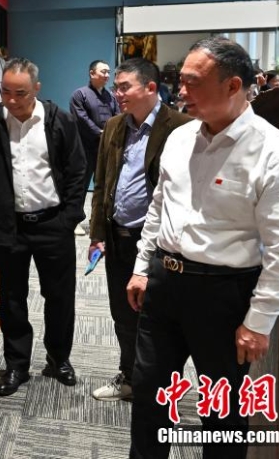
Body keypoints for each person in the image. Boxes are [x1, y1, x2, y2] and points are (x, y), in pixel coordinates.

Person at [126, 37, 279, 458]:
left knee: (222, 416)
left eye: (193, 83)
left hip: (224, 295)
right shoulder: (180, 137)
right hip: (164, 285)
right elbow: (159, 207)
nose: (181, 92)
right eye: (180, 81)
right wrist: (141, 266)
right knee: (150, 399)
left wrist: (259, 321)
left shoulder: (275, 154)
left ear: (233, 86)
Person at [0, 58, 86, 396]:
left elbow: (77, 172)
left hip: (52, 225)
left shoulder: (59, 121)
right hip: (10, 226)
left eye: (20, 93)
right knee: (13, 299)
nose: (12, 100)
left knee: (59, 297)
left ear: (36, 90)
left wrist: (69, 218)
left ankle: (59, 359)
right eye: (5, 91)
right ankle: (17, 366)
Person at [87, 59, 191, 402]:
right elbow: (102, 184)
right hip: (119, 238)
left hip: (161, 245)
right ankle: (130, 376)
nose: (117, 94)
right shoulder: (115, 126)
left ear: (150, 88)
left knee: (159, 317)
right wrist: (97, 233)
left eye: (124, 87)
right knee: (122, 313)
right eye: (116, 87)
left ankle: (160, 386)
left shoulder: (182, 128)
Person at [70, 60, 119, 195]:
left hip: (106, 146)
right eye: (103, 71)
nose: (107, 75)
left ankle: (99, 216)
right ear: (92, 73)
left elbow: (117, 115)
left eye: (109, 72)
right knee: (81, 183)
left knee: (103, 185)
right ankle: (76, 215)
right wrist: (99, 132)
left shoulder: (111, 96)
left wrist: (111, 133)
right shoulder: (80, 94)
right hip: (85, 147)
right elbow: (81, 118)